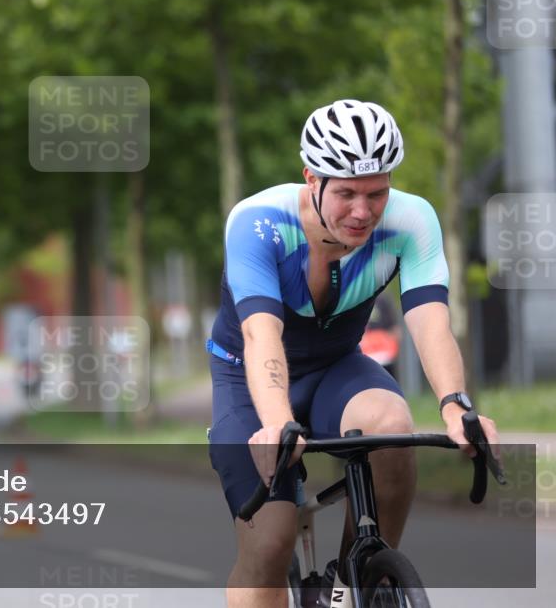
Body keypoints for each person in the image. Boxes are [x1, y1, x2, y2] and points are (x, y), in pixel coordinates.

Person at [205, 99, 500, 607]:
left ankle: (353, 583)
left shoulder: (412, 221)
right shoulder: (257, 222)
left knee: (391, 424)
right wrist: (276, 421)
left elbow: (430, 321)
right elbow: (260, 334)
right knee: (271, 543)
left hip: (335, 369)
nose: (362, 211)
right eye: (345, 193)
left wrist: (457, 406)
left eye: (376, 193)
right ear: (311, 179)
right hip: (248, 381)